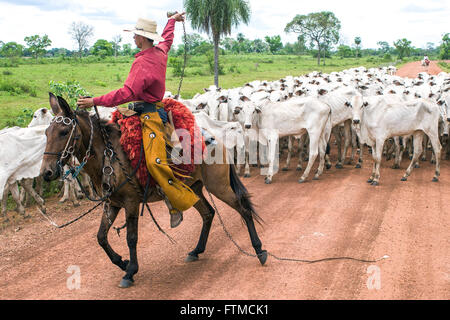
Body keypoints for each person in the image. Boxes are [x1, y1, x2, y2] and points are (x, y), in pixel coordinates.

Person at [77, 12, 199, 228]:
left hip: (150, 116)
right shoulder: (160, 49)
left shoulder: (143, 63)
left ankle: (173, 201)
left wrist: (94, 100)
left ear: (142, 38)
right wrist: (172, 21)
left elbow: (126, 93)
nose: (133, 38)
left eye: (135, 35)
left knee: (154, 161)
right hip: (136, 112)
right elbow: (167, 38)